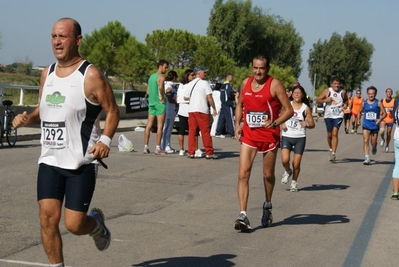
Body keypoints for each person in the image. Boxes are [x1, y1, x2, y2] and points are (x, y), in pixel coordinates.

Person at [11, 18, 120, 267]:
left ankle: (97, 225)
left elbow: (113, 111)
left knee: (74, 224)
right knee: (47, 220)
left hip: (80, 162)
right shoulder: (46, 74)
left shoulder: (90, 75)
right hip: (49, 160)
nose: (57, 42)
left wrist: (105, 140)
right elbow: (43, 110)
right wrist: (27, 118)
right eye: (53, 36)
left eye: (63, 36)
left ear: (78, 40)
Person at [233, 55, 294, 232]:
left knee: (268, 175)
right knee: (243, 174)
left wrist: (275, 122)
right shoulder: (246, 83)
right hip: (249, 135)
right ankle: (242, 214)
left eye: (261, 68)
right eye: (255, 68)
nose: (258, 71)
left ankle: (267, 205)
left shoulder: (275, 84)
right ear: (251, 68)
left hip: (268, 135)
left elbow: (288, 110)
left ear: (267, 69)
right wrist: (238, 124)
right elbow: (240, 105)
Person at [280, 85, 315, 192]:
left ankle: (294, 182)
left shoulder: (305, 108)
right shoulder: (287, 105)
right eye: (295, 92)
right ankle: (287, 171)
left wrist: (307, 125)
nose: (297, 94)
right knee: (285, 160)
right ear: (292, 94)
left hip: (300, 137)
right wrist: (282, 124)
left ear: (302, 95)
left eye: (299, 93)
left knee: (296, 163)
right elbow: (280, 116)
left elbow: (312, 124)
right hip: (287, 135)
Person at [183, 66, 218, 159]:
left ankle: (191, 152)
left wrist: (194, 96)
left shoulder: (190, 84)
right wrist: (214, 108)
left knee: (192, 132)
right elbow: (209, 97)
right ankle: (209, 152)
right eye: (204, 72)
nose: (205, 74)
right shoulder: (205, 83)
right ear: (198, 73)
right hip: (202, 110)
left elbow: (185, 97)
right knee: (205, 132)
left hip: (191, 110)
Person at [316, 77, 347, 162]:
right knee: (329, 134)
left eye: (338, 84)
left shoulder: (343, 92)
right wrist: (326, 99)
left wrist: (345, 105)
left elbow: (346, 100)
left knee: (335, 133)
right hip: (328, 115)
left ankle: (333, 153)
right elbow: (318, 100)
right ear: (332, 84)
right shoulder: (327, 91)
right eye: (335, 84)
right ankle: (330, 148)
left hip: (338, 115)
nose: (337, 85)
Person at [176, 69, 203, 157]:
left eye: (194, 75)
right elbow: (186, 97)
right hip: (189, 109)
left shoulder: (180, 85)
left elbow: (178, 97)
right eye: (192, 75)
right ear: (187, 76)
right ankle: (195, 149)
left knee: (183, 130)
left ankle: (182, 150)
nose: (194, 76)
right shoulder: (190, 85)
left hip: (182, 109)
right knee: (193, 130)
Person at [143, 59, 168, 155]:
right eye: (165, 67)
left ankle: (146, 146)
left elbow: (147, 91)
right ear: (160, 66)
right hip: (159, 104)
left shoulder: (151, 77)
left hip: (152, 103)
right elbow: (161, 87)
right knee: (160, 126)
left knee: (148, 125)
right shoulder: (161, 76)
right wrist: (162, 97)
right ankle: (158, 148)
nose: (166, 69)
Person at [357, 86, 386, 165]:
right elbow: (359, 112)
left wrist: (380, 119)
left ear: (375, 94)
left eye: (372, 94)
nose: (371, 95)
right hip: (366, 125)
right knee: (365, 141)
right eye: (369, 94)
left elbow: (384, 113)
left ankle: (374, 146)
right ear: (367, 94)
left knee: (373, 142)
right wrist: (359, 120)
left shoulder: (378, 103)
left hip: (374, 126)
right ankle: (366, 157)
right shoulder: (364, 103)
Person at [161, 70, 178, 153]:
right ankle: (164, 146)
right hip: (168, 110)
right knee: (166, 129)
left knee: (169, 129)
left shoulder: (172, 86)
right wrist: (177, 100)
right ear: (174, 77)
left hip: (172, 110)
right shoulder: (168, 86)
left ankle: (168, 145)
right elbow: (169, 98)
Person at [215, 73, 235, 138]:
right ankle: (232, 133)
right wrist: (233, 96)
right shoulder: (228, 85)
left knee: (222, 118)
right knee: (230, 118)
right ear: (228, 78)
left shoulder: (223, 85)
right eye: (231, 77)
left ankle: (218, 132)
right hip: (228, 103)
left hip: (223, 103)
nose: (232, 79)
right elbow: (229, 94)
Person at [379, 88, 395, 153]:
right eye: (388, 92)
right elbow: (380, 108)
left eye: (390, 92)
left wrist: (391, 110)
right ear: (386, 93)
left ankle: (387, 146)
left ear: (392, 93)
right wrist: (380, 112)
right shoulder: (382, 100)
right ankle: (382, 139)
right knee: (382, 131)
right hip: (384, 118)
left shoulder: (394, 101)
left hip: (391, 119)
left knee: (388, 134)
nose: (389, 93)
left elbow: (396, 109)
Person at [390, 98, 399, 199]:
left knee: (398, 165)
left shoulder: (397, 101)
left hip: (397, 137)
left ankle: (396, 192)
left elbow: (394, 119)